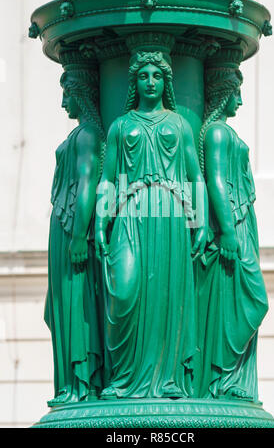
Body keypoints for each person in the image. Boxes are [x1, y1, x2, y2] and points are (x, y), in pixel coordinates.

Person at [95, 51, 208, 399]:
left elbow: (196, 177)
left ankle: (168, 378)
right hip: (130, 213)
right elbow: (108, 179)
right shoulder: (121, 126)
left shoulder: (178, 125)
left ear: (166, 82)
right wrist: (102, 220)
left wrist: (200, 221)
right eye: (143, 75)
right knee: (124, 292)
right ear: (134, 82)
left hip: (170, 215)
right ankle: (124, 379)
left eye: (156, 75)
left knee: (166, 297)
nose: (150, 81)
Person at [195, 65, 269, 401]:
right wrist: (226, 231)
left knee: (243, 300)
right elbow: (215, 181)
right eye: (234, 90)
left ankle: (233, 379)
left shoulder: (224, 133)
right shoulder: (217, 134)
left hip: (242, 223)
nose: (239, 98)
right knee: (251, 300)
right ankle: (221, 378)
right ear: (222, 91)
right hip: (232, 227)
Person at [45, 64, 105, 406]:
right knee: (63, 304)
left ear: (81, 92)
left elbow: (88, 182)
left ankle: (80, 384)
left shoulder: (87, 136)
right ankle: (72, 385)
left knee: (74, 303)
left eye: (68, 92)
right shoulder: (79, 135)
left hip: (71, 231)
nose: (64, 100)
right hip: (64, 227)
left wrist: (80, 235)